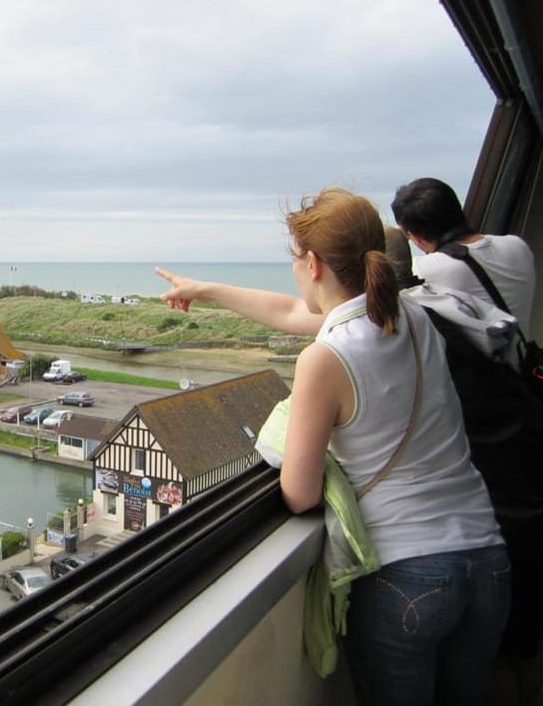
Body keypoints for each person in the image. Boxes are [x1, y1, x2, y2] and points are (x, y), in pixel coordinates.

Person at [157, 187, 509, 706]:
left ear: (314, 264)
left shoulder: (325, 358)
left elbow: (298, 494)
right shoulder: (412, 315)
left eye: (296, 260)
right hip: (489, 559)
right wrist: (204, 289)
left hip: (408, 576)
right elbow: (286, 311)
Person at [385, 226, 543, 704]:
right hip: (516, 487)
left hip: (451, 528)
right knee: (511, 650)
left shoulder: (395, 329)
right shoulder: (451, 303)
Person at [390, 177, 536, 331]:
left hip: (478, 356)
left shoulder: (423, 270)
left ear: (416, 237)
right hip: (523, 353)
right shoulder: (517, 246)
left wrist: (397, 235)